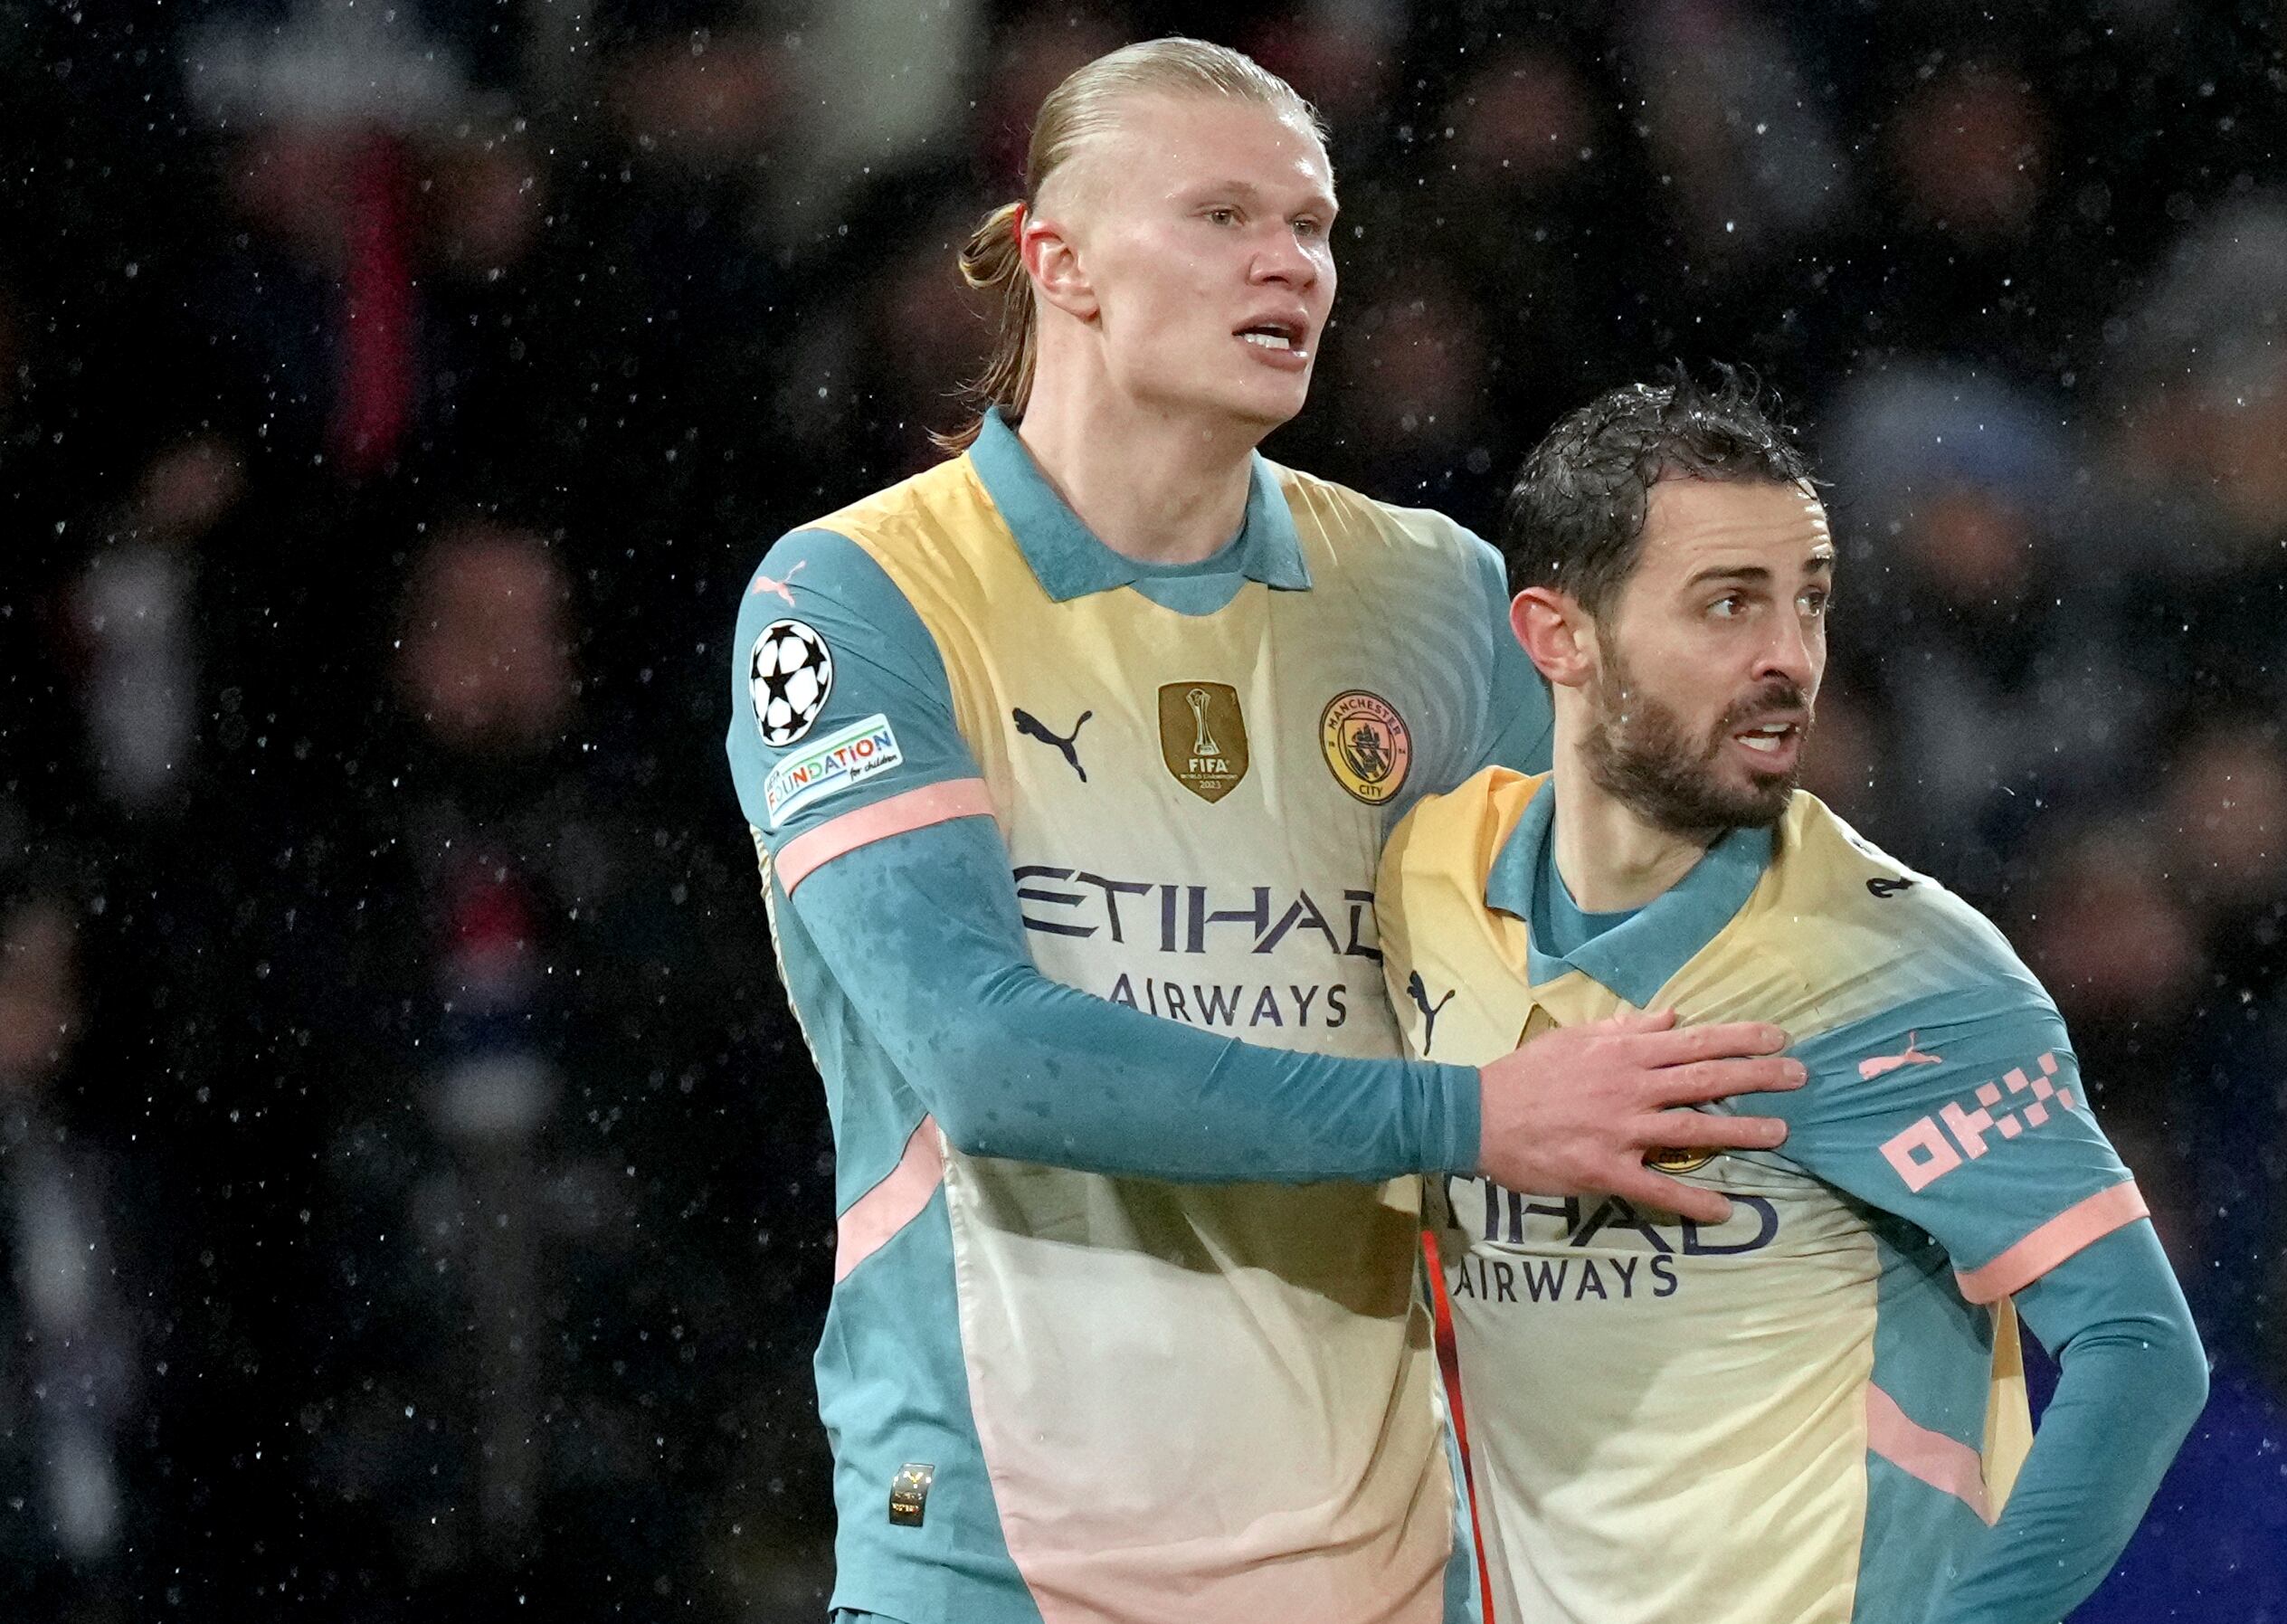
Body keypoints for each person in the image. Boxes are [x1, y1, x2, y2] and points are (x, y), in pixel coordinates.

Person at [719, 39, 1800, 1624]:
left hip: (1387, 1569)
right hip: (1001, 1562)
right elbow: (992, 1060)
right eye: (1222, 216)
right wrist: (1470, 1118)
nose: (1289, 261)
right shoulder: (854, 596)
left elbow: (1679, 948)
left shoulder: (1433, 593)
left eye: (1312, 225)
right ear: (1059, 262)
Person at [1375, 371, 2209, 1624]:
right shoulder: (1419, 880)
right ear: (1558, 638)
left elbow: (2140, 1355)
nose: (1790, 659)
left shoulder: (1902, 966)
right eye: (1730, 604)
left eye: (1809, 600)